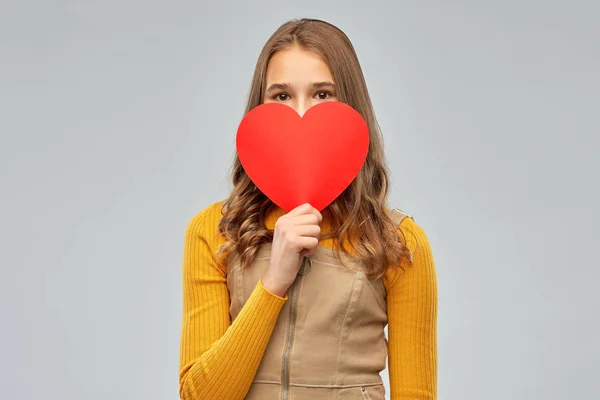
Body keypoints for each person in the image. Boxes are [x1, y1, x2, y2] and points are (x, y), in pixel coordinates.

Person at [179, 18, 438, 400]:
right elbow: (199, 397)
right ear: (259, 108)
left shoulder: (399, 242)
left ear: (350, 105)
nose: (301, 113)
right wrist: (273, 282)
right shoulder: (213, 233)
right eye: (281, 95)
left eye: (322, 94)